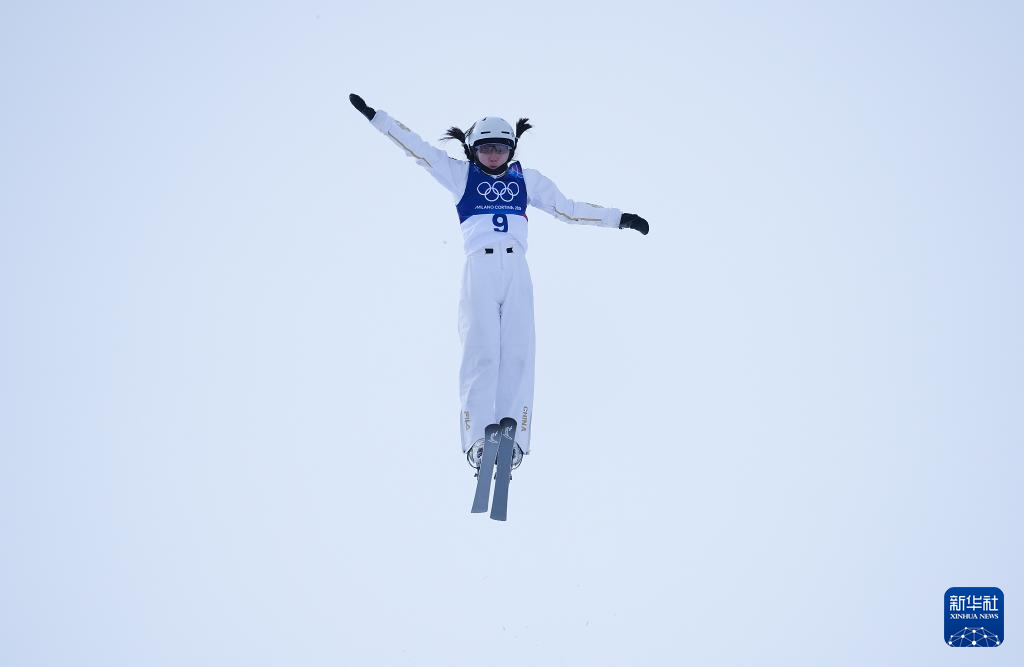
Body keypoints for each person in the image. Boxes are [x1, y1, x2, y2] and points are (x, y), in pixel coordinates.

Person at [349, 93, 649, 471]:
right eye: (486, 148)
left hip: (517, 270)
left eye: (501, 148)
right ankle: (477, 440)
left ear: (512, 149)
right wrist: (377, 118)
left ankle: (514, 442)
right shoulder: (460, 175)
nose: (493, 155)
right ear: (473, 150)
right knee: (483, 353)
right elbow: (418, 150)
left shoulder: (527, 180)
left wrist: (620, 219)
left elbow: (570, 210)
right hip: (480, 269)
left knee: (519, 354)